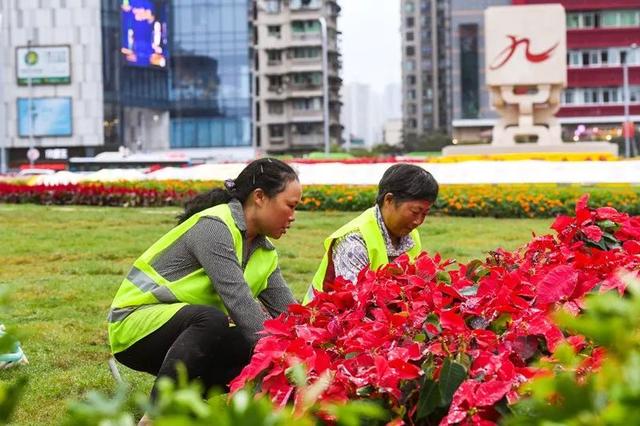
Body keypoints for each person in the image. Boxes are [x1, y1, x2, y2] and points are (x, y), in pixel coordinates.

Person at [107, 158, 301, 413]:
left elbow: (292, 317)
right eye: (290, 205)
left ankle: (190, 406)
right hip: (134, 326)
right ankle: (155, 416)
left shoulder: (265, 253)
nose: (293, 217)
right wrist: (283, 357)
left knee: (246, 343)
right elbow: (239, 302)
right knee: (217, 321)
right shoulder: (215, 228)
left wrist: (317, 350)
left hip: (187, 334)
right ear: (259, 197)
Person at [304, 163, 438, 303]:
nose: (418, 221)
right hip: (323, 319)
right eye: (415, 212)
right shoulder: (354, 241)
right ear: (389, 200)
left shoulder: (410, 235)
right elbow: (354, 304)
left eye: (425, 214)